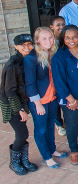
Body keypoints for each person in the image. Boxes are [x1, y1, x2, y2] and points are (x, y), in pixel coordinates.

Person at [51, 25, 78, 166]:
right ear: (63, 39)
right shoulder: (59, 56)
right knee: (71, 124)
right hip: (70, 97)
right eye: (67, 37)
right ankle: (74, 150)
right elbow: (59, 81)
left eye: (74, 37)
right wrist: (71, 99)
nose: (71, 40)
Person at [24, 27, 67, 169]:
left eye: (50, 37)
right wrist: (37, 104)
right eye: (44, 38)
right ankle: (47, 156)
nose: (48, 41)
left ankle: (52, 149)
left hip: (52, 98)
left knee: (50, 126)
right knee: (40, 129)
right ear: (37, 40)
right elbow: (30, 84)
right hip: (40, 101)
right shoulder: (31, 57)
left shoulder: (53, 53)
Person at [1, 34, 38, 175]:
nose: (27, 47)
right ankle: (14, 163)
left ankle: (24, 160)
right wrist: (20, 109)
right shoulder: (12, 65)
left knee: (23, 134)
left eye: (29, 44)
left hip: (21, 102)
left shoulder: (26, 60)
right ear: (15, 47)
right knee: (22, 134)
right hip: (12, 105)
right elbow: (10, 92)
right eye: (23, 45)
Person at [49, 16, 66, 136]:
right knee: (55, 99)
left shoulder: (66, 38)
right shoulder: (50, 41)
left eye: (63, 25)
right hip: (52, 74)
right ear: (52, 27)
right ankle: (59, 123)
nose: (61, 27)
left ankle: (70, 121)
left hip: (65, 72)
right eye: (58, 25)